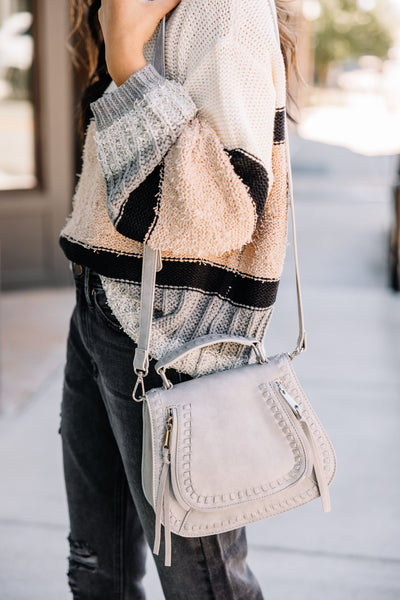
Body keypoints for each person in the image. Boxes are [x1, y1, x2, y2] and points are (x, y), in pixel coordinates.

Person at [58, 0, 298, 597]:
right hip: (100, 304)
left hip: (174, 333)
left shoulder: (225, 11)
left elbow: (221, 207)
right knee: (96, 567)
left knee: (205, 585)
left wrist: (126, 64)